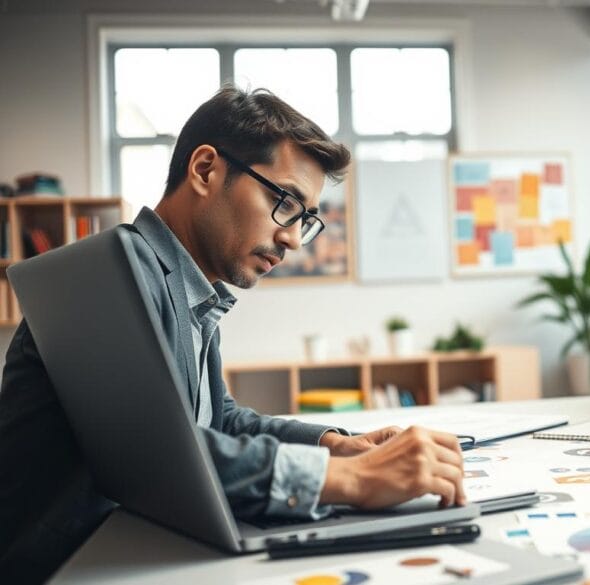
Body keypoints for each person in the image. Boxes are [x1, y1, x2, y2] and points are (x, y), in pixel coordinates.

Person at [0, 86, 466, 582]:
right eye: (284, 202)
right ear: (205, 170)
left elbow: (216, 420)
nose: (291, 238)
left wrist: (335, 445)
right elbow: (156, 459)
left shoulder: (190, 291)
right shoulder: (109, 277)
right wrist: (351, 478)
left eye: (304, 220)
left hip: (133, 551)